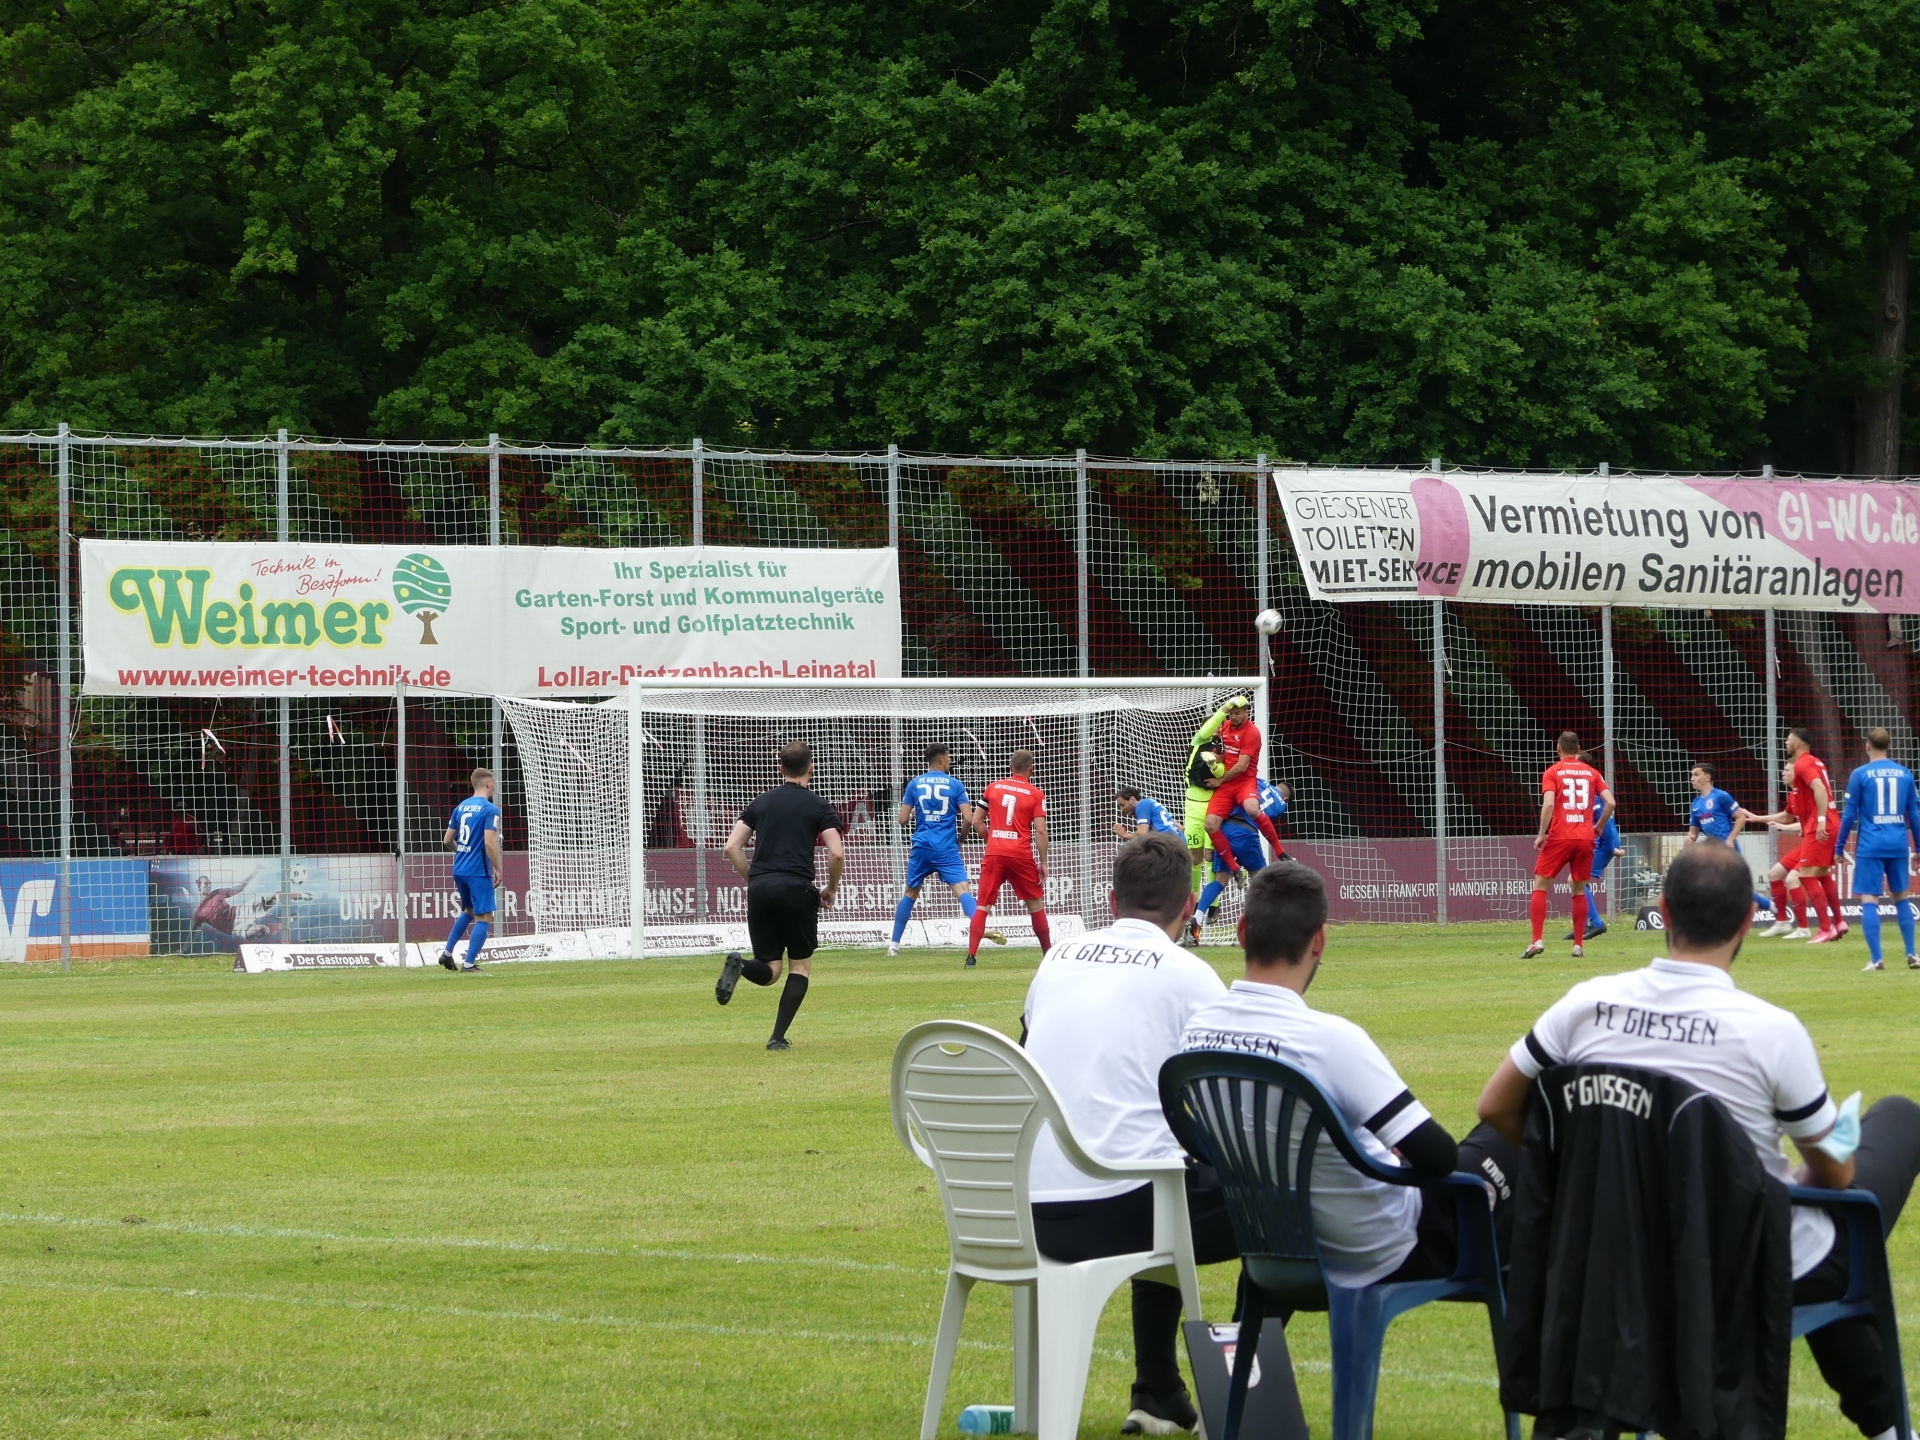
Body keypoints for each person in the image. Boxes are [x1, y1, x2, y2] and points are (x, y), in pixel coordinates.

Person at [1478, 841, 1920, 1440]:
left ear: (1663, 908)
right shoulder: (1771, 1032)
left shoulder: (1584, 1005)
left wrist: (1585, 1174)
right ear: (1747, 920)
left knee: (1813, 1226)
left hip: (1615, 1254)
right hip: (1739, 1264)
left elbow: (1494, 1106)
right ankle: (1889, 1427)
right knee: (1891, 1131)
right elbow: (1837, 1176)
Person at [1183, 862, 1518, 1290]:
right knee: (1516, 1126)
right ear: (1319, 940)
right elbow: (1437, 1157)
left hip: (1273, 1242)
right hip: (1378, 1247)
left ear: (1242, 930)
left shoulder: (1195, 1033)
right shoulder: (1328, 1041)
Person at [1022, 832, 1233, 1437]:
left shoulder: (1057, 958)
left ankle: (1158, 1390)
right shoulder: (1191, 975)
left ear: (1112, 902)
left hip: (1018, 1211)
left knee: (1158, 1166)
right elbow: (1226, 1103)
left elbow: (1030, 1049)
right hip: (1112, 1213)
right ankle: (1244, 1399)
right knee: (1270, 1204)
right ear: (1188, 906)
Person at [716, 741, 845, 1051]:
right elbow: (836, 853)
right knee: (798, 968)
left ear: (780, 769)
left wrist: (753, 880)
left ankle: (741, 965)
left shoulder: (760, 802)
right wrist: (831, 888)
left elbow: (732, 847)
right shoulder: (819, 805)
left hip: (760, 890)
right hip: (797, 889)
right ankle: (776, 1038)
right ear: (811, 768)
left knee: (770, 970)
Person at [889, 743, 1001, 956]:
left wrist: (915, 814)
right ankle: (979, 927)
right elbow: (968, 818)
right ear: (941, 759)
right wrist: (960, 839)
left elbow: (902, 820)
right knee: (962, 890)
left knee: (910, 893)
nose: (950, 760)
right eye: (948, 757)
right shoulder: (956, 785)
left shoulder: (914, 784)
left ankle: (893, 946)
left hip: (922, 845)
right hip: (946, 847)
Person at [1836, 728, 1920, 973]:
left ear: (1867, 745)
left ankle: (1877, 959)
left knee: (1870, 899)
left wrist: (1839, 847)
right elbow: (1914, 815)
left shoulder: (1860, 774)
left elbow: (1849, 814)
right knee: (1901, 896)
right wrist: (1918, 848)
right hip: (1898, 843)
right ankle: (1912, 953)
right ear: (1889, 746)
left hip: (1870, 844)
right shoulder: (1904, 773)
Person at [1524, 732, 1615, 959]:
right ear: (1579, 749)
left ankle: (1536, 941)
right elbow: (1611, 802)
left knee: (1540, 886)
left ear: (1558, 749)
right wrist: (1599, 826)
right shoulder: (1592, 773)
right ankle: (1578, 946)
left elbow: (1548, 805)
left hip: (1560, 835)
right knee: (1579, 889)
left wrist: (1541, 834)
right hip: (1585, 837)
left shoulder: (1552, 772)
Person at [965, 749, 1050, 967]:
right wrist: (1043, 862)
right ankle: (1048, 954)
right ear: (1032, 769)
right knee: (1035, 904)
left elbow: (976, 821)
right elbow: (1041, 830)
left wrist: (993, 839)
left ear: (1011, 768)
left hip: (995, 852)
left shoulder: (993, 787)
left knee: (983, 905)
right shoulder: (1036, 794)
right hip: (1020, 854)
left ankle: (971, 956)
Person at [1751, 729, 1838, 941]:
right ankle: (1784, 921)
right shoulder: (1795, 794)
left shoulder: (1804, 765)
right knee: (1776, 874)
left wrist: (1819, 820)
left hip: (1819, 830)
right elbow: (1787, 817)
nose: (1784, 773)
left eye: (1787, 770)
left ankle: (1815, 927)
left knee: (1799, 877)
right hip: (1814, 832)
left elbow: (1818, 795)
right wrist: (1758, 818)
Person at [1192, 779, 1291, 944]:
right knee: (1261, 881)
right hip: (1246, 832)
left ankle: (1197, 917)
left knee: (1220, 880)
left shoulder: (1258, 782)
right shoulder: (1281, 805)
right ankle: (1267, 926)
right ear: (1286, 799)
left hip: (1224, 828)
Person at [1201, 695, 1287, 874]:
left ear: (1247, 712)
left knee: (1253, 809)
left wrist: (1220, 779)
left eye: (1238, 713)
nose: (1233, 717)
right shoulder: (1225, 727)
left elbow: (1241, 766)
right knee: (1209, 824)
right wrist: (1214, 756)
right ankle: (1235, 869)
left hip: (1244, 781)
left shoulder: (1252, 732)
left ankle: (1280, 851)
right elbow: (1223, 755)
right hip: (1227, 785)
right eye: (1231, 713)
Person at [439, 768, 503, 972]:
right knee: (484, 916)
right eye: (493, 784)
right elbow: (489, 843)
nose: (493, 787)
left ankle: (447, 953)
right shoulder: (490, 809)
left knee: (469, 911)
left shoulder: (461, 807)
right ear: (487, 783)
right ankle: (469, 964)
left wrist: (463, 851)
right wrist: (498, 868)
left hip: (460, 868)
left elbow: (447, 840)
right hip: (478, 870)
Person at [1566, 773, 1621, 941]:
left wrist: (1611, 848)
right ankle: (1583, 927)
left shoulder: (1595, 797)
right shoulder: (1590, 795)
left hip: (1603, 844)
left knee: (1575, 880)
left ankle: (1596, 923)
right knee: (1577, 881)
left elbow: (1606, 825)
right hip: (1600, 843)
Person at [1686, 762, 1745, 845]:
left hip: (1727, 848)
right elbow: (1693, 832)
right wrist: (1690, 839)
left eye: (1696, 775)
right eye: (1692, 775)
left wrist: (1730, 840)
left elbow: (1741, 817)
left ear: (1707, 777)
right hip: (1713, 848)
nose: (1692, 778)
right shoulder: (1696, 803)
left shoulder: (1721, 795)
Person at [1113, 786, 1182, 841]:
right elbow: (1181, 827)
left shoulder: (1142, 805)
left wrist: (1124, 834)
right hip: (1180, 845)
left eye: (1122, 805)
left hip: (1167, 845)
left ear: (1132, 799)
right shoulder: (1153, 805)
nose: (1121, 809)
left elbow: (1142, 835)